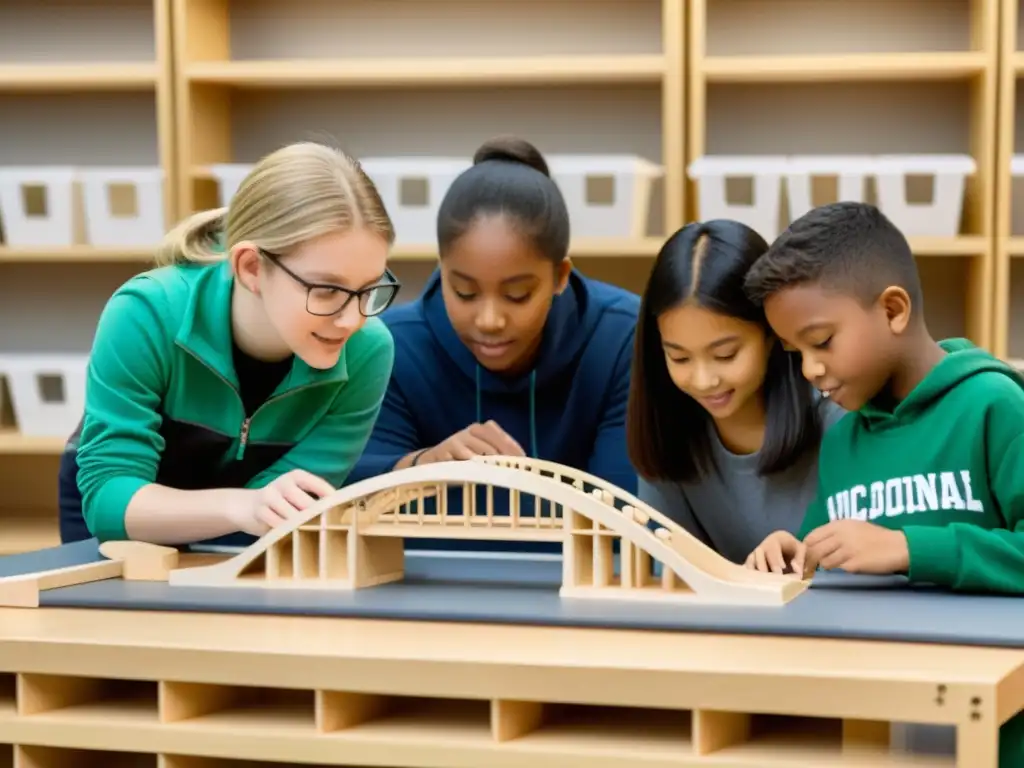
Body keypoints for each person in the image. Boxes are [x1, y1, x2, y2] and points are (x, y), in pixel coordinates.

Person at [742, 200, 1024, 766]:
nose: (810, 371)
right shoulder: (843, 440)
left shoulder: (996, 406)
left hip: (996, 735)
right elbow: (827, 555)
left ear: (893, 309)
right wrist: (795, 552)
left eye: (821, 342)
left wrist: (909, 548)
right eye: (796, 353)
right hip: (880, 732)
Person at [58, 141, 400, 547]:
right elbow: (110, 503)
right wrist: (241, 505)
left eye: (368, 290)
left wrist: (252, 508)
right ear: (251, 267)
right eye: (327, 290)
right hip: (125, 526)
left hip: (243, 532)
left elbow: (285, 510)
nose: (352, 319)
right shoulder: (146, 313)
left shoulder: (368, 350)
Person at [346, 135, 641, 552]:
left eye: (517, 294)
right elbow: (339, 502)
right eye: (464, 292)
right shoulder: (389, 347)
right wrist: (420, 465)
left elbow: (626, 523)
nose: (489, 320)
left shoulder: (623, 338)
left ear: (560, 276)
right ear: (441, 269)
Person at [626, 219, 845, 565]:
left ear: (772, 333)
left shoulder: (839, 421)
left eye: (725, 354)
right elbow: (670, 576)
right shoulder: (667, 434)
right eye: (679, 356)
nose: (703, 379)